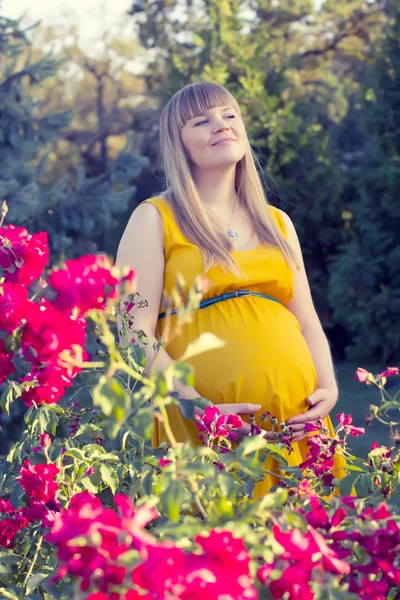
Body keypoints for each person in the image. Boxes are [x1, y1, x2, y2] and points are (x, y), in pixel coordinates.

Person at [116, 81, 347, 497]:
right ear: (179, 144)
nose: (220, 125)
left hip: (297, 425)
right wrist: (198, 409)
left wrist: (328, 388)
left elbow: (306, 319)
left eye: (229, 115)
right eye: (201, 120)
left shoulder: (277, 223)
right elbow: (132, 332)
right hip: (202, 428)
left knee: (302, 551)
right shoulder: (155, 218)